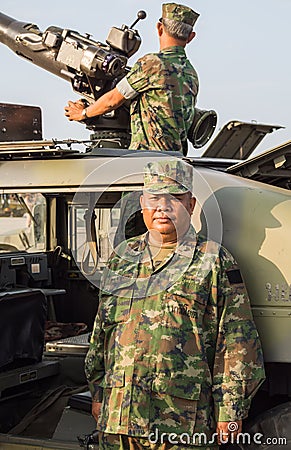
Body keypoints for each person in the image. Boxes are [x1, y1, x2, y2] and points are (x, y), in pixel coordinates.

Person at [84, 158, 265, 449]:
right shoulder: (123, 258)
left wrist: (230, 411)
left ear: (191, 205)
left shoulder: (212, 259)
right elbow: (102, 331)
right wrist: (97, 392)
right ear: (143, 203)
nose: (163, 207)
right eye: (155, 198)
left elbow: (236, 341)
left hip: (180, 422)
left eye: (175, 199)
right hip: (119, 418)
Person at [65, 3, 199, 155]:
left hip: (149, 163)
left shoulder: (152, 63)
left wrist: (83, 113)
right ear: (190, 37)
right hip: (178, 162)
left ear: (159, 28)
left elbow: (113, 100)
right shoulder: (191, 74)